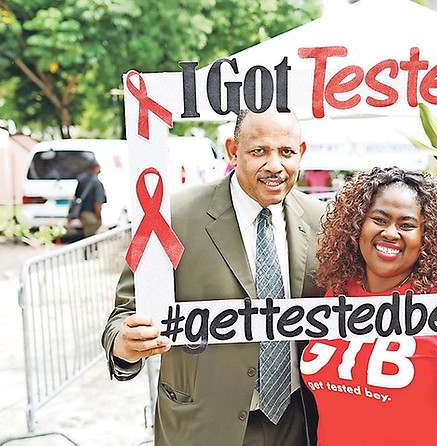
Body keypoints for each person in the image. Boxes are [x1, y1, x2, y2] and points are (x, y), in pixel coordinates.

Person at [101, 109, 326, 446]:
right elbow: (124, 315)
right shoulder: (171, 217)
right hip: (202, 426)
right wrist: (124, 345)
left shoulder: (321, 219)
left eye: (287, 152)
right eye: (259, 151)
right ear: (233, 150)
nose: (275, 165)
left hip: (298, 423)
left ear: (302, 152)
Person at [300, 166, 437, 445]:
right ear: (357, 224)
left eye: (406, 225)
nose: (391, 233)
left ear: (426, 237)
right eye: (379, 219)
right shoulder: (337, 293)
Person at [74, 158, 106, 236]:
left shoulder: (81, 179)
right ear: (96, 168)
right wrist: (99, 217)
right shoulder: (97, 183)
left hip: (81, 213)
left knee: (87, 235)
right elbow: (98, 203)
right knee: (92, 236)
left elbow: (76, 196)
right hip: (91, 214)